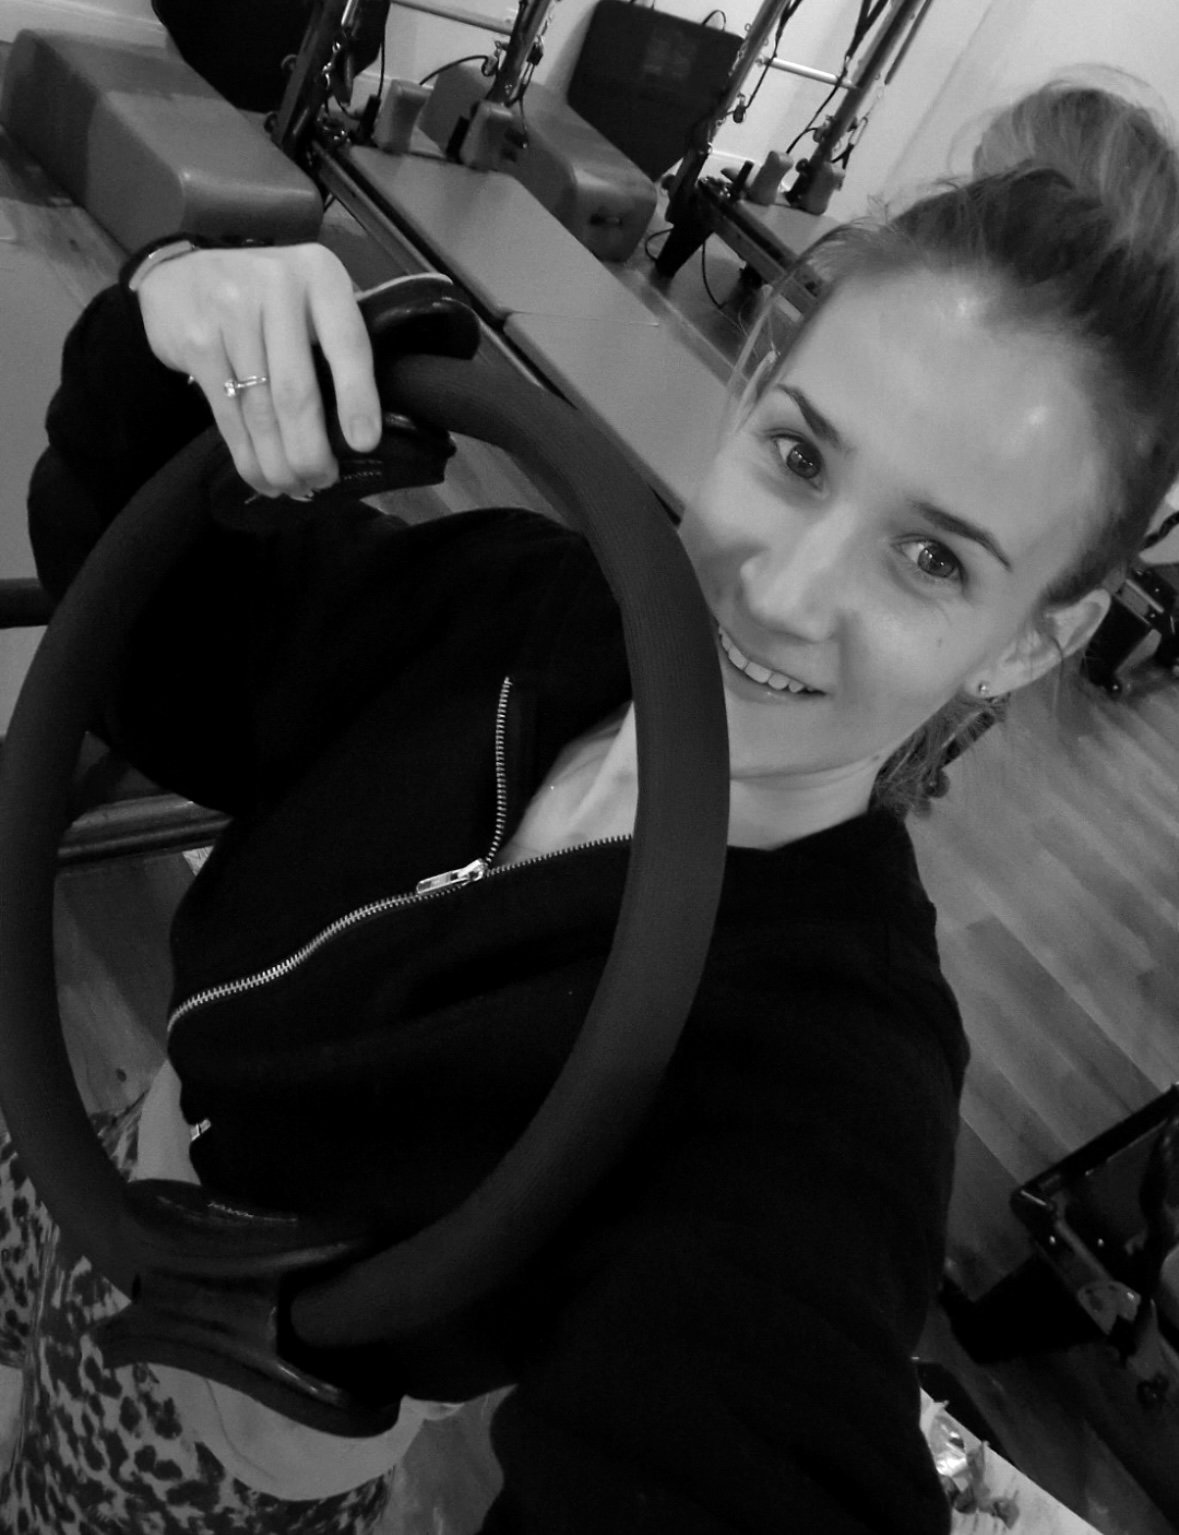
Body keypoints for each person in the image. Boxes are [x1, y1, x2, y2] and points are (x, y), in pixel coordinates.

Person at [3, 76, 1179, 1534]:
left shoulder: (825, 1068)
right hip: (114, 1150)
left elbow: (743, 1412)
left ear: (1035, 638)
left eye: (933, 560)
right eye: (800, 456)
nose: (785, 591)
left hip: (221, 1414)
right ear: (747, 392)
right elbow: (155, 647)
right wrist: (168, 329)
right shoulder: (517, 601)